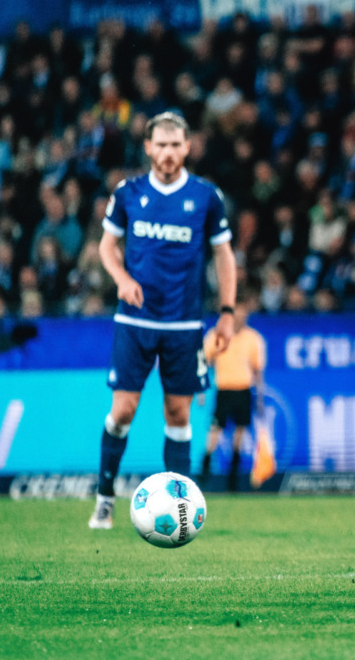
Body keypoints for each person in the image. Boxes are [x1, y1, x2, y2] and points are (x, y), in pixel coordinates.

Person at [89, 111, 236, 529]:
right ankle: (104, 498)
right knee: (122, 411)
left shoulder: (207, 196)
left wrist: (226, 312)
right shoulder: (129, 192)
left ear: (187, 147)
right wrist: (120, 278)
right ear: (148, 147)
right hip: (134, 321)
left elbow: (224, 255)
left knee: (178, 413)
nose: (169, 152)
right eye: (162, 144)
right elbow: (107, 246)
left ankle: (181, 506)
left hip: (185, 325)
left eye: (176, 145)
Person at [198, 294, 265, 492]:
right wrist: (201, 390)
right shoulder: (217, 336)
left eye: (243, 312)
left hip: (243, 390)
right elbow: (204, 361)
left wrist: (259, 396)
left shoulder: (253, 338)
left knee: (239, 434)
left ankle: (233, 480)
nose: (240, 316)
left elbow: (257, 370)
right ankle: (204, 471)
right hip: (224, 389)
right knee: (215, 431)